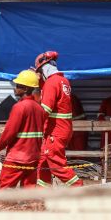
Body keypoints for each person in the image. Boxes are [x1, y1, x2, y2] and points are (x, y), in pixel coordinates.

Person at [34, 51, 84, 188]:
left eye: (39, 72)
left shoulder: (51, 83)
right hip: (61, 129)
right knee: (43, 163)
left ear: (44, 68)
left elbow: (44, 111)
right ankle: (40, 194)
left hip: (55, 131)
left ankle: (78, 188)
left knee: (56, 163)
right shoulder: (63, 81)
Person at [0, 70, 46, 189]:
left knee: (4, 190)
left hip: (17, 158)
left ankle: (1, 207)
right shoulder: (39, 108)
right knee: (28, 191)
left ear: (25, 89)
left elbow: (9, 133)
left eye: (17, 86)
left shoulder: (19, 107)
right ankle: (31, 208)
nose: (15, 88)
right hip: (33, 157)